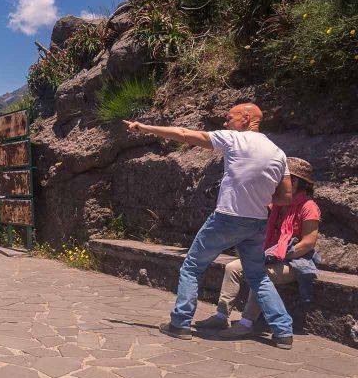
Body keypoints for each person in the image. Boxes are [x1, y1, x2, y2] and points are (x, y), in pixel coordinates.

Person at [124, 103, 296, 349]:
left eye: (229, 118)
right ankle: (283, 331)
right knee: (258, 276)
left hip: (227, 218)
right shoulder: (279, 153)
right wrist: (263, 199)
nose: (225, 123)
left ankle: (181, 323)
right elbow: (286, 197)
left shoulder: (234, 139)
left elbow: (183, 134)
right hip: (257, 224)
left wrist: (145, 128)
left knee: (192, 267)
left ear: (246, 118)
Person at [196, 157, 321, 339]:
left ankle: (247, 322)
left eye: (281, 178)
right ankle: (222, 315)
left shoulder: (309, 207)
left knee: (260, 274)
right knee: (232, 268)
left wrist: (280, 254)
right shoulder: (278, 203)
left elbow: (308, 243)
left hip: (295, 262)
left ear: (294, 181)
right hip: (269, 256)